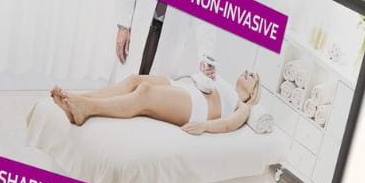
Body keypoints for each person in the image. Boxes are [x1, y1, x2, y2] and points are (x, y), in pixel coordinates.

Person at [51, 65, 262, 135]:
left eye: (251, 76)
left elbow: (227, 125)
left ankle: (86, 108)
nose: (246, 73)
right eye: (245, 71)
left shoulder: (243, 106)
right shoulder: (224, 83)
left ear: (253, 92)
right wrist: (207, 73)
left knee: (145, 93)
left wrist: (204, 126)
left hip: (196, 105)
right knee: (135, 79)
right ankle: (78, 98)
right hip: (188, 87)